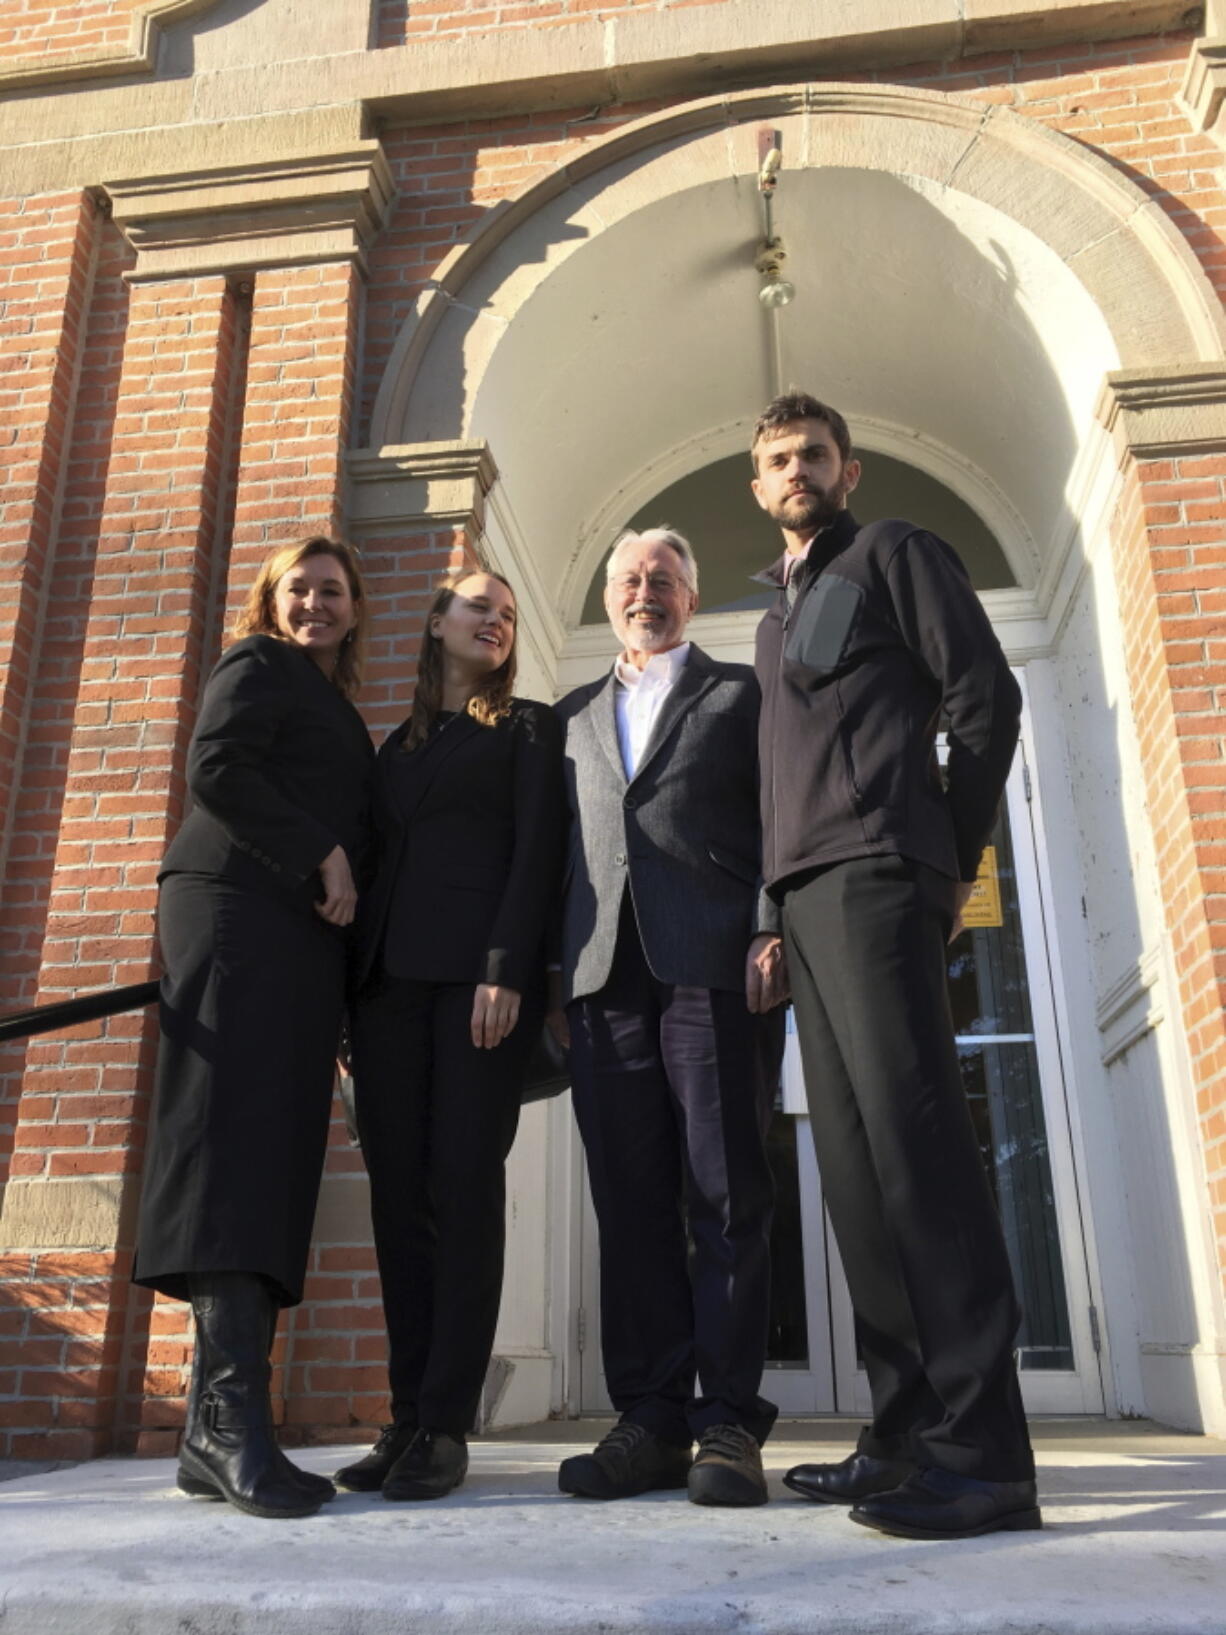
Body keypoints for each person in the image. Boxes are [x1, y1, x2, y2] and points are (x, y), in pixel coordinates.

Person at [749, 391, 1039, 1540]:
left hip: (881, 875)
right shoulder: (772, 620)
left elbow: (986, 699)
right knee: (855, 1174)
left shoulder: (892, 553)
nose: (796, 470)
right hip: (806, 900)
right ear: (757, 482)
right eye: (776, 458)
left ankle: (984, 1455)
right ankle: (902, 1431)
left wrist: (943, 852)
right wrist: (768, 911)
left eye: (813, 453)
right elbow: (782, 781)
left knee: (919, 1153)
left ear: (847, 469)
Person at [133, 536, 374, 1520]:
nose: (316, 603)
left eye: (332, 591)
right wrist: (319, 851)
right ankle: (232, 1426)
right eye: (299, 589)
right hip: (236, 911)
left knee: (270, 1158)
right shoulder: (257, 664)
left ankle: (208, 1435)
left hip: (297, 943)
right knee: (233, 1146)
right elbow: (217, 767)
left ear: (356, 607)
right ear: (270, 603)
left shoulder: (338, 710)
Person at [551, 527, 787, 1508]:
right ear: (610, 597)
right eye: (630, 578)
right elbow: (551, 857)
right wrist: (547, 974)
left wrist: (771, 925)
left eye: (664, 577)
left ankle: (725, 1420)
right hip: (602, 979)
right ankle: (647, 1416)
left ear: (690, 597)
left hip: (713, 965)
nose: (645, 589)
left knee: (724, 1193)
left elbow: (783, 810)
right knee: (630, 1200)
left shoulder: (736, 697)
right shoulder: (566, 718)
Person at [336, 568, 564, 1503]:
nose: (496, 620)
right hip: (388, 992)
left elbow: (537, 851)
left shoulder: (526, 727)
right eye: (479, 606)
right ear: (435, 623)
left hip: (477, 988)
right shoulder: (395, 748)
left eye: (508, 613)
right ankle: (404, 1413)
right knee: (399, 1203)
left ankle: (445, 1422)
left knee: (462, 1192)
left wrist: (507, 967)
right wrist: (350, 1003)